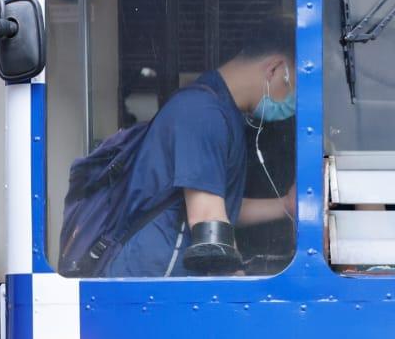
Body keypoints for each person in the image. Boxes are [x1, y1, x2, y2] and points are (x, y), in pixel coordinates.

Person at [102, 16, 297, 277]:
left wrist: (285, 205)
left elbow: (223, 207)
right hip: (156, 278)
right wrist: (238, 287)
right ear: (275, 70)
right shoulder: (203, 113)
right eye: (293, 89)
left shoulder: (221, 110)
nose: (292, 102)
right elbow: (208, 219)